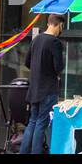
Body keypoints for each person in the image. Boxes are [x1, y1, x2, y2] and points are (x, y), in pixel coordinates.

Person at [21, 13, 66, 154]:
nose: (61, 30)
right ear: (59, 24)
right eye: (62, 27)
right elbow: (58, 67)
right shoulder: (55, 42)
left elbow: (27, 62)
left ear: (48, 23)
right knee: (41, 123)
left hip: (34, 89)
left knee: (33, 122)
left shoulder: (36, 39)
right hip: (48, 90)